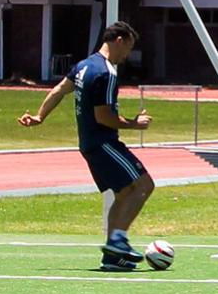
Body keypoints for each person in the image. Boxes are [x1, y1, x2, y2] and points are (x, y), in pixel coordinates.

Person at [18, 21, 155, 271]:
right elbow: (103, 117)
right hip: (103, 142)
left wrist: (40, 116)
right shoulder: (106, 72)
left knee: (124, 192)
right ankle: (118, 241)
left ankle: (113, 257)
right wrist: (135, 124)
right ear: (119, 40)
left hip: (89, 144)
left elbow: (60, 90)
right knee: (145, 184)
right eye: (128, 49)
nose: (126, 56)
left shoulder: (83, 66)